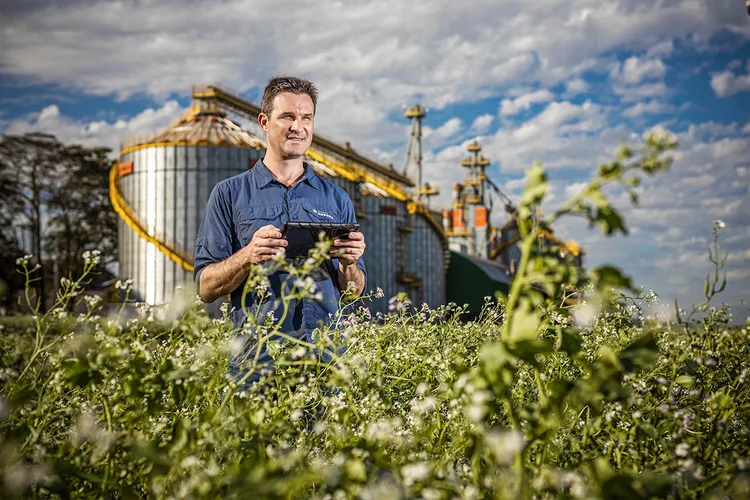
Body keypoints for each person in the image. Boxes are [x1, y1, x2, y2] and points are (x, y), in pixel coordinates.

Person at [194, 76, 367, 384]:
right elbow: (206, 288)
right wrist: (248, 255)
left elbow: (353, 293)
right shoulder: (229, 194)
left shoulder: (336, 198)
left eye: (306, 118)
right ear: (264, 121)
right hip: (257, 366)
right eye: (287, 116)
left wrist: (349, 264)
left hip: (324, 368)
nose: (297, 127)